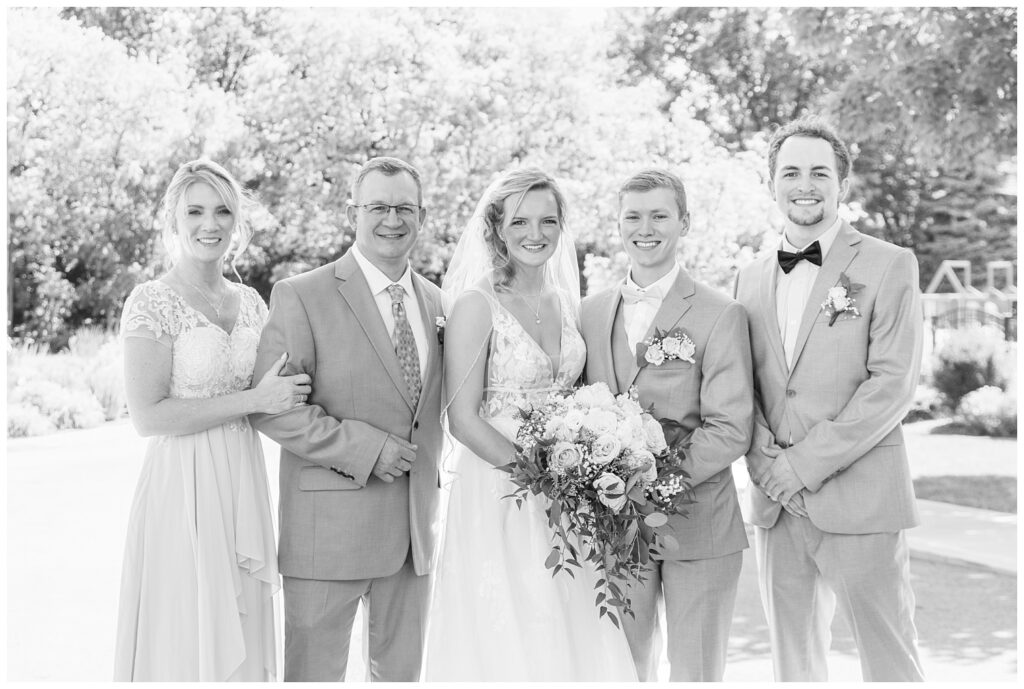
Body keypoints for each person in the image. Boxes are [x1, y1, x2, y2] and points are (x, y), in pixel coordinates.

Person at [422, 168, 636, 681]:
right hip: (502, 488)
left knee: (570, 612)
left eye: (547, 220)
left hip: (568, 490)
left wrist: (582, 468)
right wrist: (538, 477)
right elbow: (462, 418)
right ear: (496, 228)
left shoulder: (566, 303)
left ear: (562, 227)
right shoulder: (478, 304)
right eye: (519, 221)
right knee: (513, 616)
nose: (534, 233)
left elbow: (579, 398)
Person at [734, 116, 925, 681]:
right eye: (790, 172)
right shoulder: (747, 278)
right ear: (772, 184)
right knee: (794, 665)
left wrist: (801, 465)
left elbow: (892, 385)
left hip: (861, 498)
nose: (805, 184)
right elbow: (743, 385)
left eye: (820, 172)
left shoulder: (890, 264)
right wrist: (767, 464)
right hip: (777, 505)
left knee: (889, 658)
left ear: (842, 182)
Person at [114, 159, 311, 681]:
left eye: (223, 211)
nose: (210, 224)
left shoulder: (250, 303)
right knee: (185, 624)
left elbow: (284, 384)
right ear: (173, 220)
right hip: (182, 485)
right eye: (195, 210)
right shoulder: (152, 301)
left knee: (239, 623)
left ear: (237, 222)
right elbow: (148, 416)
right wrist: (254, 401)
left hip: (241, 480)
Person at [249, 157, 445, 681]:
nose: (392, 219)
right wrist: (363, 448)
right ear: (353, 212)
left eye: (405, 208)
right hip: (327, 538)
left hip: (413, 540)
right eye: (378, 206)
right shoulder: (302, 295)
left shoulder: (438, 302)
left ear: (422, 216)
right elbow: (273, 409)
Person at [580, 169, 753, 681]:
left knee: (696, 671)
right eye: (632, 216)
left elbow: (730, 428)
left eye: (659, 215)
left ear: (684, 222)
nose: (645, 227)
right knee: (623, 667)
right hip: (617, 526)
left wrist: (654, 486)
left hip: (700, 524)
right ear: (618, 225)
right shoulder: (590, 312)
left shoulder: (722, 313)